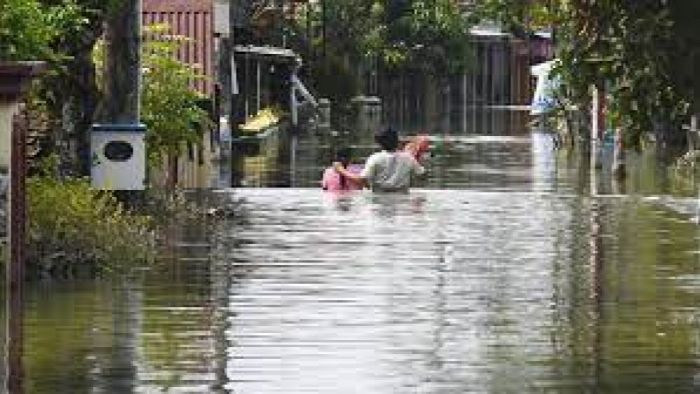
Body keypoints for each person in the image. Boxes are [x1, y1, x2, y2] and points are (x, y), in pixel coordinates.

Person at [334, 127, 426, 192]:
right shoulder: (408, 158)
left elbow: (361, 180)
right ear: (397, 142)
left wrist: (340, 170)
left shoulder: (375, 158)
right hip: (402, 200)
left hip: (378, 199)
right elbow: (422, 175)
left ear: (379, 143)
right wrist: (416, 157)